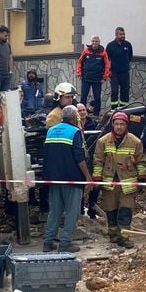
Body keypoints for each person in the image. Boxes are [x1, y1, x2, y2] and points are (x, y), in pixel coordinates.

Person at [42, 105, 93, 253]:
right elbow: (79, 157)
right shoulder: (75, 132)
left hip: (53, 178)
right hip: (72, 178)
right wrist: (88, 177)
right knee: (72, 212)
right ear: (75, 117)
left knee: (55, 211)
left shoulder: (51, 131)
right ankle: (65, 243)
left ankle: (48, 242)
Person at [93, 111, 146, 248]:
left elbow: (141, 161)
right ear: (112, 125)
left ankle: (124, 237)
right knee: (111, 210)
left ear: (126, 125)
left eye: (122, 124)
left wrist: (141, 178)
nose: (119, 127)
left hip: (127, 183)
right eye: (116, 124)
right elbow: (98, 161)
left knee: (125, 211)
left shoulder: (135, 142)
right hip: (109, 183)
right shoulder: (103, 141)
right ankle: (113, 235)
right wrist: (97, 179)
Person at [76, 35, 110, 117]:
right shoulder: (86, 51)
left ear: (99, 42)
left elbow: (107, 65)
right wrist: (79, 73)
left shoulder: (103, 53)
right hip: (86, 78)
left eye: (96, 41)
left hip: (97, 79)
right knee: (83, 96)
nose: (94, 43)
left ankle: (96, 114)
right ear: (91, 42)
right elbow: (79, 62)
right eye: (93, 41)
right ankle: (82, 113)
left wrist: (105, 77)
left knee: (97, 97)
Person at [106, 27, 133, 109]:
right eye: (121, 34)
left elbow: (130, 56)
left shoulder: (128, 45)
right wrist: (109, 70)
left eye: (124, 34)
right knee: (114, 91)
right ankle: (114, 109)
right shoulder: (110, 45)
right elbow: (106, 59)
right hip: (114, 73)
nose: (123, 36)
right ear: (116, 34)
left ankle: (123, 109)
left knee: (125, 91)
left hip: (125, 73)